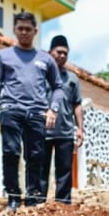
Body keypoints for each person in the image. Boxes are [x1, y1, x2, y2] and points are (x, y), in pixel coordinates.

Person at [0, 11, 63, 210]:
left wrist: (53, 109)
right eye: (20, 29)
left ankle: (33, 197)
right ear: (15, 30)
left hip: (37, 113)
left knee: (35, 156)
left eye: (28, 29)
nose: (24, 32)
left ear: (35, 31)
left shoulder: (46, 59)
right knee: (10, 152)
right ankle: (14, 196)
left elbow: (58, 87)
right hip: (10, 110)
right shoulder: (4, 56)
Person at [39, 35, 84, 204]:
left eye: (66, 53)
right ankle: (38, 204)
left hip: (65, 132)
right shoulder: (40, 75)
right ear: (50, 52)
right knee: (41, 170)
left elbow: (77, 105)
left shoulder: (72, 79)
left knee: (64, 171)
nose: (62, 56)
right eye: (59, 52)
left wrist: (80, 129)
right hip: (42, 131)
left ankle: (63, 205)